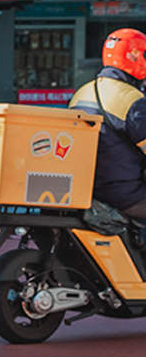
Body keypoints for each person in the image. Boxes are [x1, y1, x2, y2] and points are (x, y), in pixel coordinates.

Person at [69, 28, 146, 223]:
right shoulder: (131, 100)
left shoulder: (82, 92)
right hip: (123, 194)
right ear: (135, 57)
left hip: (86, 190)